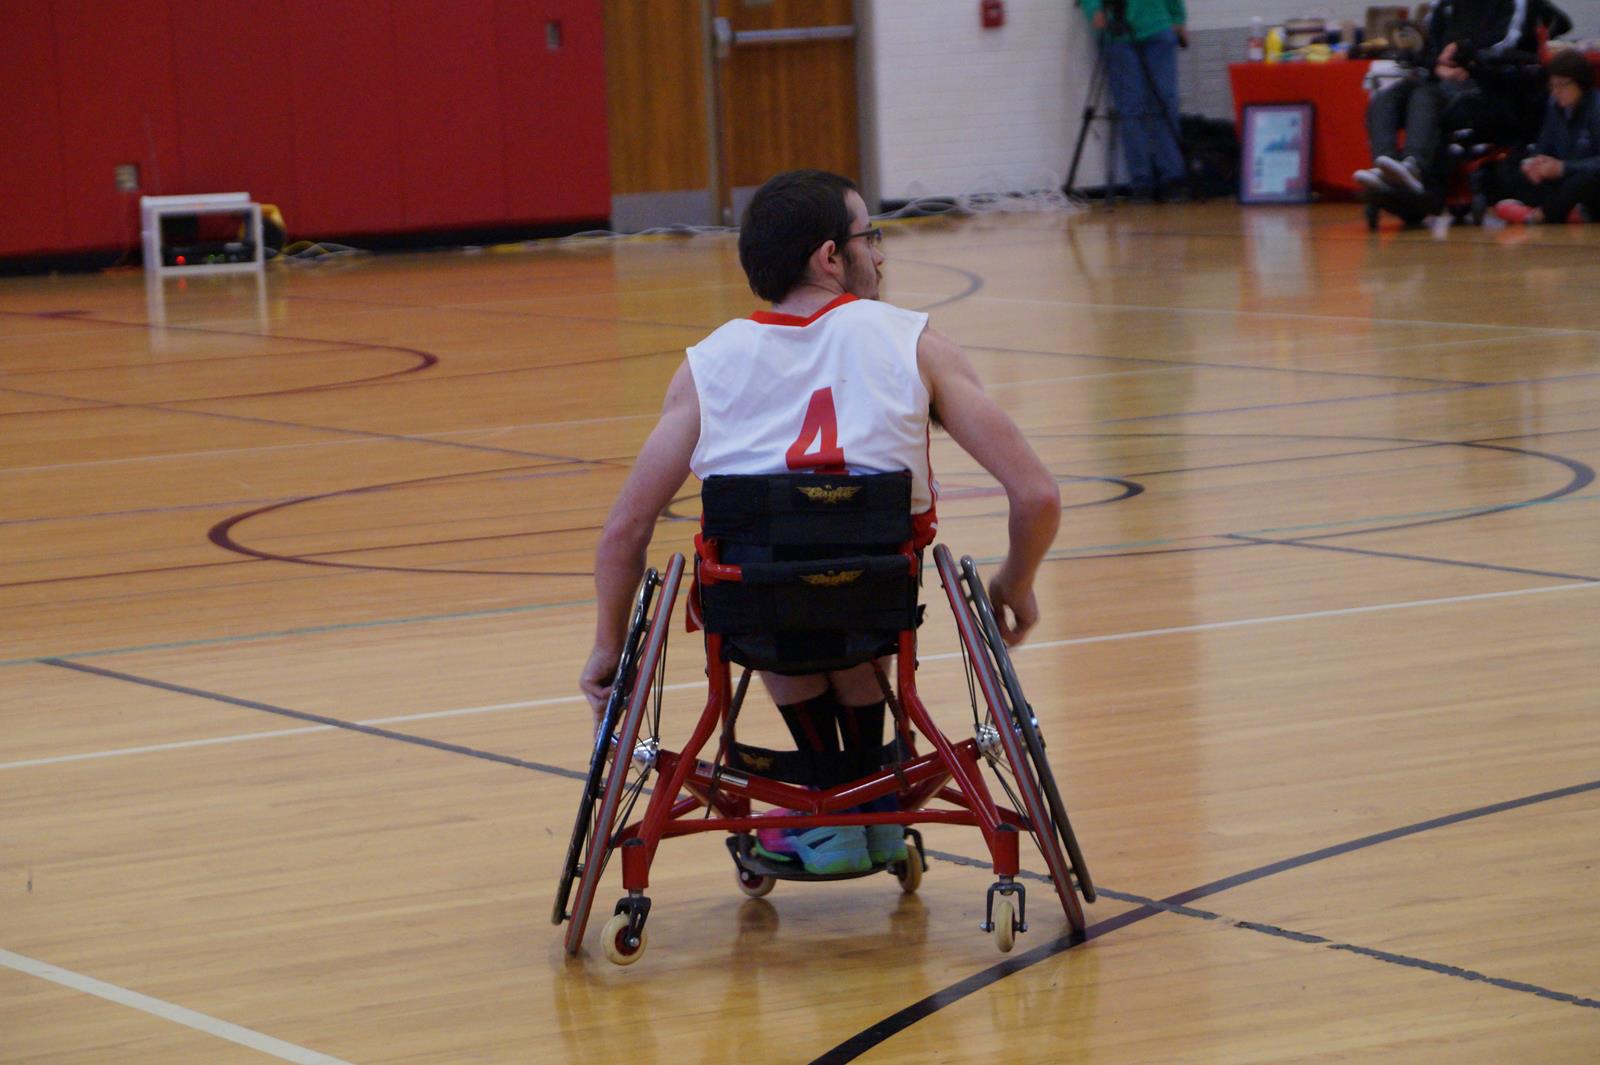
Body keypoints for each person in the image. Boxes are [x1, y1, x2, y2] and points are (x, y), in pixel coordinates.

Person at [578, 169, 1061, 874]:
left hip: (761, 617)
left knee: (768, 578)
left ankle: (828, 810)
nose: (881, 253)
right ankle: (869, 809)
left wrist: (606, 647)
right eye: (872, 235)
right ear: (830, 257)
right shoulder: (915, 343)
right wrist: (1015, 582)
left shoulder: (706, 366)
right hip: (877, 603)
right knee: (841, 589)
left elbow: (624, 531)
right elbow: (1038, 495)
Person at [1355, 0, 1569, 203]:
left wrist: (1464, 53)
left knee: (1425, 95)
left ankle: (1414, 166)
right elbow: (1428, 48)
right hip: (1443, 81)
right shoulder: (1444, 4)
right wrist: (1437, 64)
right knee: (1386, 97)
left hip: (1489, 86)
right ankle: (1387, 167)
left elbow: (1507, 46)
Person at [1080, 0, 1189, 202]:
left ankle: (1172, 177)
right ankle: (1142, 181)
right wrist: (1093, 9)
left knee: (1165, 104)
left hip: (1157, 26)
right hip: (1117, 31)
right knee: (1130, 108)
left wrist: (1177, 17)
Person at [1494, 48, 1600, 223]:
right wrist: (1534, 163)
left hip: (1585, 178)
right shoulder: (1554, 107)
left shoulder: (1596, 109)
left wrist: (1563, 167)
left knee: (1585, 181)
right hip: (1562, 178)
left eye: (1562, 85)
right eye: (1552, 85)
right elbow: (1544, 145)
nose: (1555, 91)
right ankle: (1570, 211)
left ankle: (1539, 215)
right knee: (1512, 167)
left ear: (1581, 83)